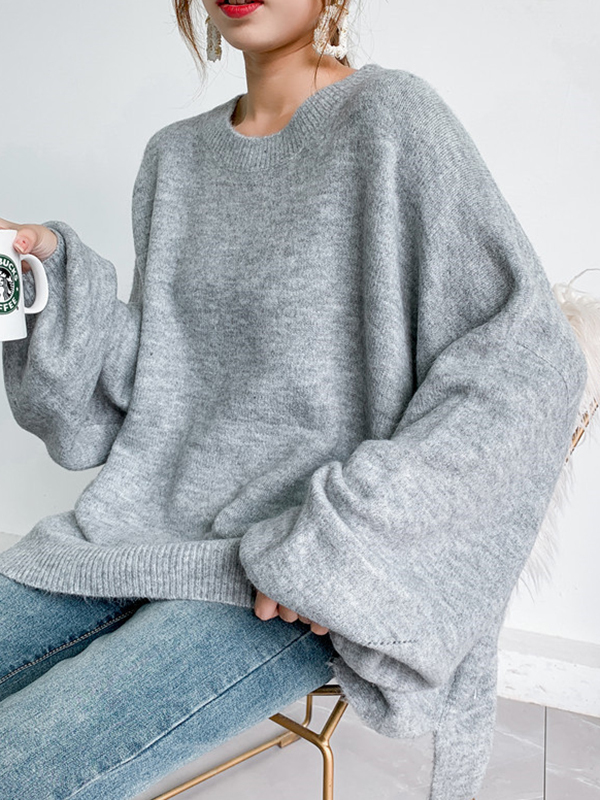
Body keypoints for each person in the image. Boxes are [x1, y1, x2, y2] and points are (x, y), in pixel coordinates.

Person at [0, 1, 587, 799]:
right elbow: (161, 381)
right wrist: (53, 281)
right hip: (135, 532)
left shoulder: (393, 120)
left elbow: (528, 361)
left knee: (19, 766)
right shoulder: (174, 157)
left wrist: (342, 546)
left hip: (288, 584)